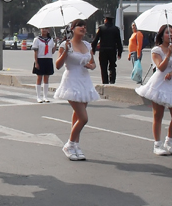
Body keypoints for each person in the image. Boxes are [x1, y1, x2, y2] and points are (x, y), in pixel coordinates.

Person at [135, 24, 172, 156]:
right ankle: (157, 144)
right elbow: (161, 68)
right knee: (158, 116)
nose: (170, 35)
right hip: (159, 84)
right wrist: (168, 54)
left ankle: (169, 141)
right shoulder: (156, 50)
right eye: (167, 33)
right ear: (161, 35)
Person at [54, 19, 99, 161]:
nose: (83, 28)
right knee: (83, 118)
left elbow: (93, 63)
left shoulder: (87, 45)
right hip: (71, 81)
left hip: (85, 81)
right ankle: (69, 144)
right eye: (80, 25)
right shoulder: (65, 45)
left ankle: (76, 146)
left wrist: (91, 66)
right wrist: (65, 52)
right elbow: (58, 65)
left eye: (85, 26)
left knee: (77, 116)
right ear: (72, 28)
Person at [91, 14, 123, 84]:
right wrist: (119, 52)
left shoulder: (101, 28)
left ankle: (105, 81)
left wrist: (93, 49)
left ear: (106, 20)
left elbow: (96, 40)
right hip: (112, 50)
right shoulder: (116, 29)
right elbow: (119, 41)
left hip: (103, 50)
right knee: (112, 66)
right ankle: (112, 80)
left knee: (103, 67)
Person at [32, 28, 56, 103]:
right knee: (39, 77)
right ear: (40, 30)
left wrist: (56, 43)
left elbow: (52, 51)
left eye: (46, 29)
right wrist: (36, 62)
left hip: (48, 59)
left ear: (48, 30)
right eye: (43, 29)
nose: (44, 30)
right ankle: (38, 97)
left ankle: (45, 96)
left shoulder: (50, 40)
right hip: (40, 59)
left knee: (46, 77)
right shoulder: (37, 39)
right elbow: (35, 52)